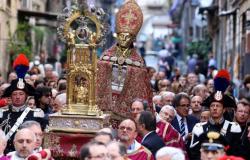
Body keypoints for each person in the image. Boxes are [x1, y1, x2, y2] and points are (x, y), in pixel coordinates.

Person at [97, 0, 153, 127]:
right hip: (106, 103)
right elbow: (99, 73)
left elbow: (141, 83)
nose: (123, 39)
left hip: (126, 108)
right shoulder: (107, 55)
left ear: (133, 39)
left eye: (127, 36)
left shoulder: (138, 61)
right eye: (121, 36)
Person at [0, 54, 46, 153]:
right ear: (10, 96)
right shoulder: (1, 113)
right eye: (15, 94)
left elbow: (41, 137)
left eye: (21, 94)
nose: (17, 97)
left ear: (26, 96)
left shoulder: (36, 113)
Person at [190, 91, 241, 159]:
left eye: (218, 106)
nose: (214, 108)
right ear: (209, 109)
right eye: (212, 106)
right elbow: (194, 153)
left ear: (224, 110)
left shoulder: (233, 127)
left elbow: (237, 153)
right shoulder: (199, 128)